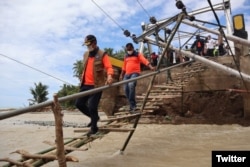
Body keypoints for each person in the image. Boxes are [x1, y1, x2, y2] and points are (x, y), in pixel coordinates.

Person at [75, 34, 114, 136]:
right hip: (85, 84)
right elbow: (85, 68)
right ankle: (94, 118)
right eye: (86, 44)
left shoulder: (102, 54)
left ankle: (94, 128)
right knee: (79, 104)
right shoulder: (85, 54)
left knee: (92, 106)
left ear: (94, 43)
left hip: (96, 85)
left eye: (89, 44)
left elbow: (109, 67)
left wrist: (110, 76)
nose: (88, 46)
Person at [119, 43, 155, 113]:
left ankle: (133, 106)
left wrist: (150, 67)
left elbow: (144, 60)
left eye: (130, 49)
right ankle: (131, 105)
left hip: (135, 73)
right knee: (125, 89)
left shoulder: (137, 54)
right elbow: (124, 66)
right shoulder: (126, 56)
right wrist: (121, 74)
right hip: (127, 74)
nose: (129, 51)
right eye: (128, 50)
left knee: (131, 85)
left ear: (132, 48)